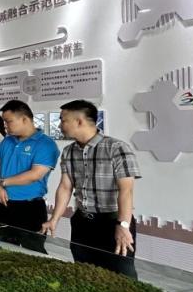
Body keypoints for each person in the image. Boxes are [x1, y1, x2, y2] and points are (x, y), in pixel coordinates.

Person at [44, 100, 142, 278]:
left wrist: (123, 225)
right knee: (85, 274)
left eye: (63, 120)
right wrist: (54, 219)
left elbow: (126, 191)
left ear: (79, 121)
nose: (60, 125)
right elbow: (65, 187)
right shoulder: (68, 152)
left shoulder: (117, 148)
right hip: (82, 223)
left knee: (121, 277)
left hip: (112, 223)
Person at [0, 100, 59, 253]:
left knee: (32, 253)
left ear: (25, 119)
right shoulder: (7, 141)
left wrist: (2, 183)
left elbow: (34, 175)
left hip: (29, 209)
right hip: (3, 205)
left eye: (8, 121)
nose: (5, 125)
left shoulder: (46, 144)